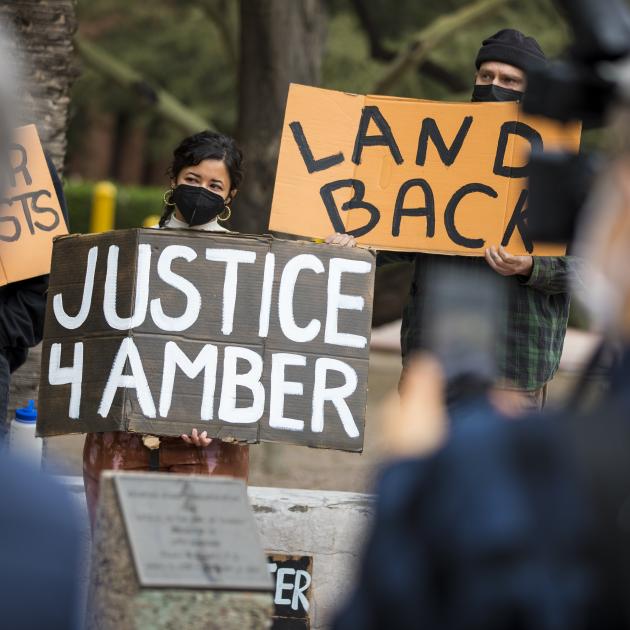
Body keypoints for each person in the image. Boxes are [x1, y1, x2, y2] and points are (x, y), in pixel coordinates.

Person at [329, 29, 575, 414]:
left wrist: (531, 266)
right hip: (433, 359)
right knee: (427, 468)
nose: (495, 86)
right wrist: (358, 239)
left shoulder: (562, 167)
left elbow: (591, 270)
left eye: (510, 80)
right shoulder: (438, 148)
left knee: (503, 474)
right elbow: (407, 227)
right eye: (486, 77)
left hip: (513, 366)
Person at [83, 131, 249, 525]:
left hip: (209, 450)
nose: (201, 191)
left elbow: (248, 358)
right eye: (192, 180)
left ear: (230, 197)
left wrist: (217, 419)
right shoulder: (125, 253)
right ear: (173, 179)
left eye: (215, 185)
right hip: (121, 440)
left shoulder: (251, 265)